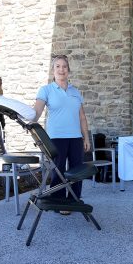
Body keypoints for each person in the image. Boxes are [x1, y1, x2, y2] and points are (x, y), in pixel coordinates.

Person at [33, 55, 90, 215]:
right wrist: (29, 121)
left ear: (68, 70)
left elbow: (82, 117)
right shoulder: (46, 90)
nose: (61, 69)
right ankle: (58, 202)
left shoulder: (75, 91)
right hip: (56, 138)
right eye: (57, 66)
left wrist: (86, 137)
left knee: (77, 170)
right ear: (53, 70)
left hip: (76, 138)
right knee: (57, 170)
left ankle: (73, 201)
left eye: (64, 66)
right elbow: (37, 111)